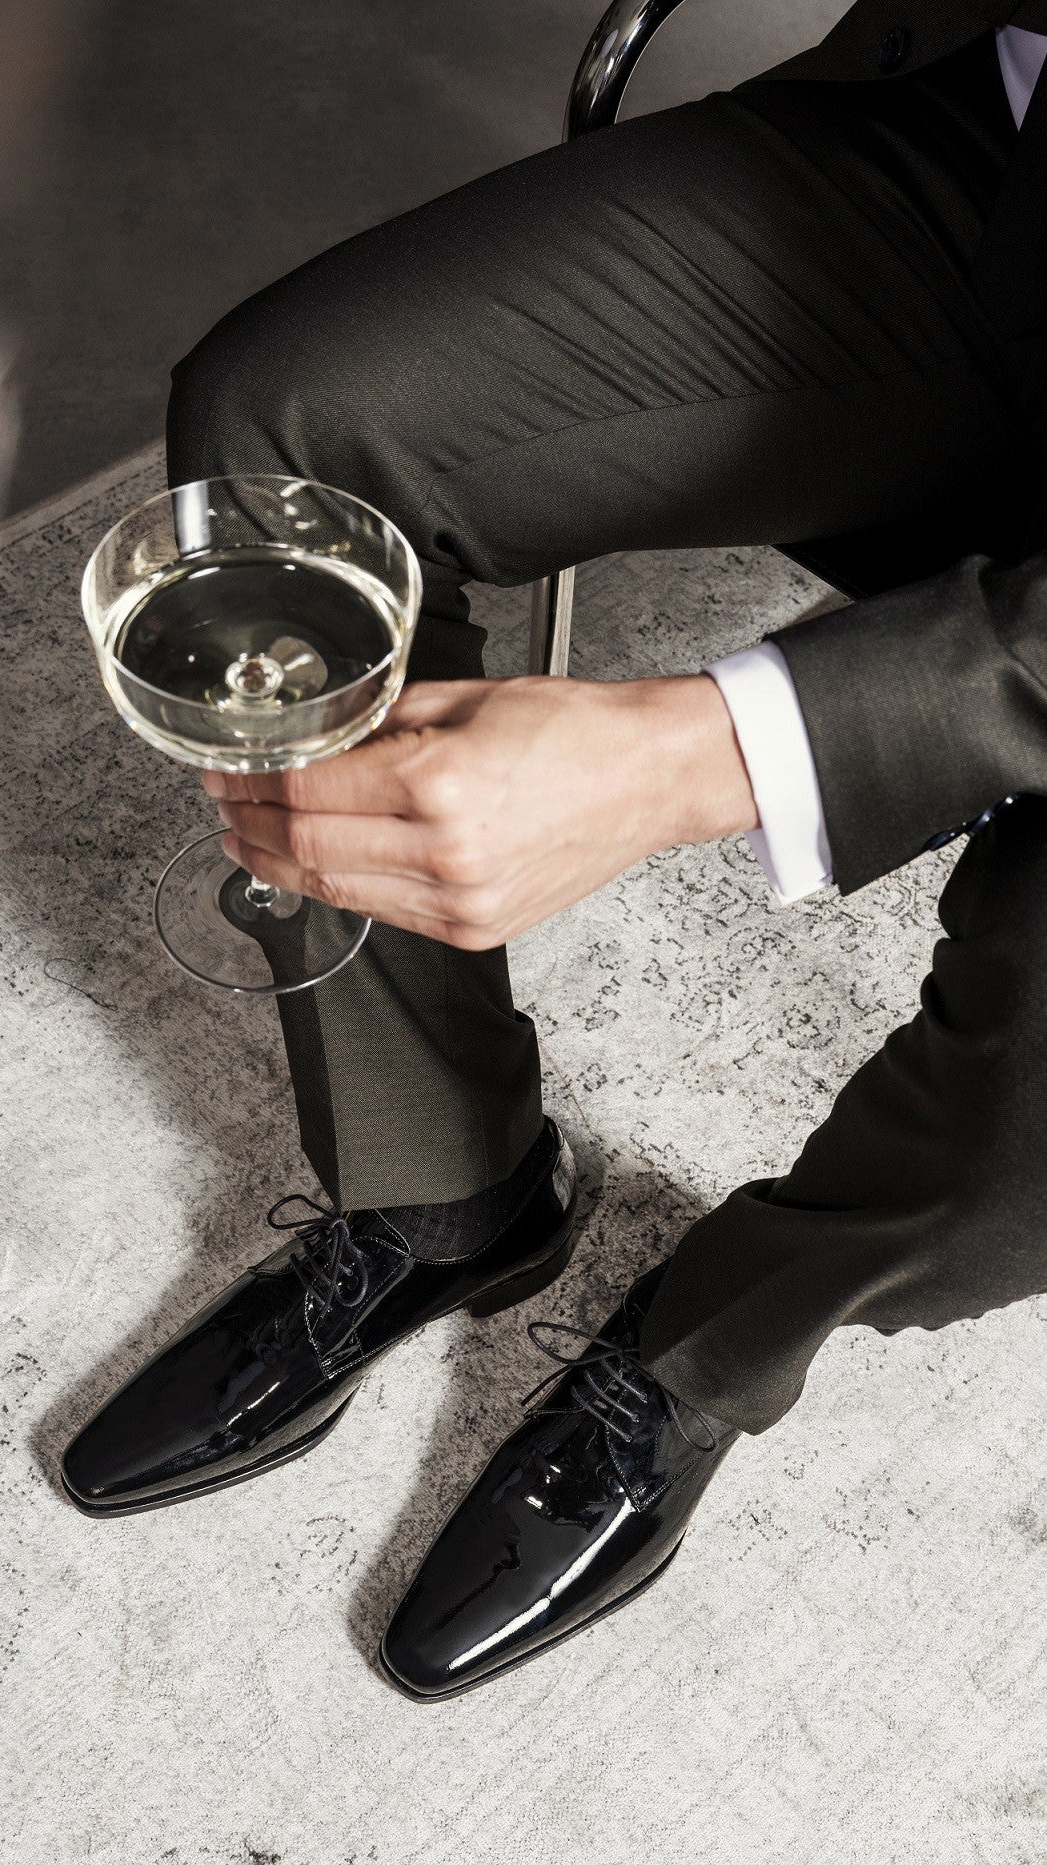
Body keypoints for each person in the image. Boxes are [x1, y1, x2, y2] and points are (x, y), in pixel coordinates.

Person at [60, 0, 1047, 1700]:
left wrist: (695, 751)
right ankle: (448, 1189)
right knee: (292, 436)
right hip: (1002, 188)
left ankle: (708, 1349)